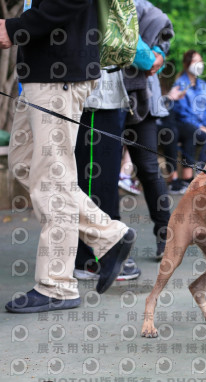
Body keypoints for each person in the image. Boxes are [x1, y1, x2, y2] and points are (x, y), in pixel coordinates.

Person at [2, 0, 135, 312]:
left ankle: (57, 284)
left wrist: (14, 27)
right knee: (25, 163)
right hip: (39, 76)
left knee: (52, 177)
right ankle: (108, 234)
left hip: (57, 75)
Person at [73, 69, 141, 282]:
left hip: (108, 98)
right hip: (94, 99)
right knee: (95, 184)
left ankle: (107, 248)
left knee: (108, 183)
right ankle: (92, 259)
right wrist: (149, 57)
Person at [122, 0, 174, 260]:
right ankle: (111, 243)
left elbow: (163, 33)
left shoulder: (140, 6)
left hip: (143, 99)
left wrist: (159, 56)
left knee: (149, 169)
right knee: (104, 174)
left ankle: (166, 233)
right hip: (101, 99)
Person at [161, 50, 206, 194]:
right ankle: (203, 177)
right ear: (187, 64)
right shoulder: (180, 84)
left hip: (205, 125)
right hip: (188, 125)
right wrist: (200, 126)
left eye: (200, 61)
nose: (199, 65)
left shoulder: (204, 85)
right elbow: (182, 112)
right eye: (195, 61)